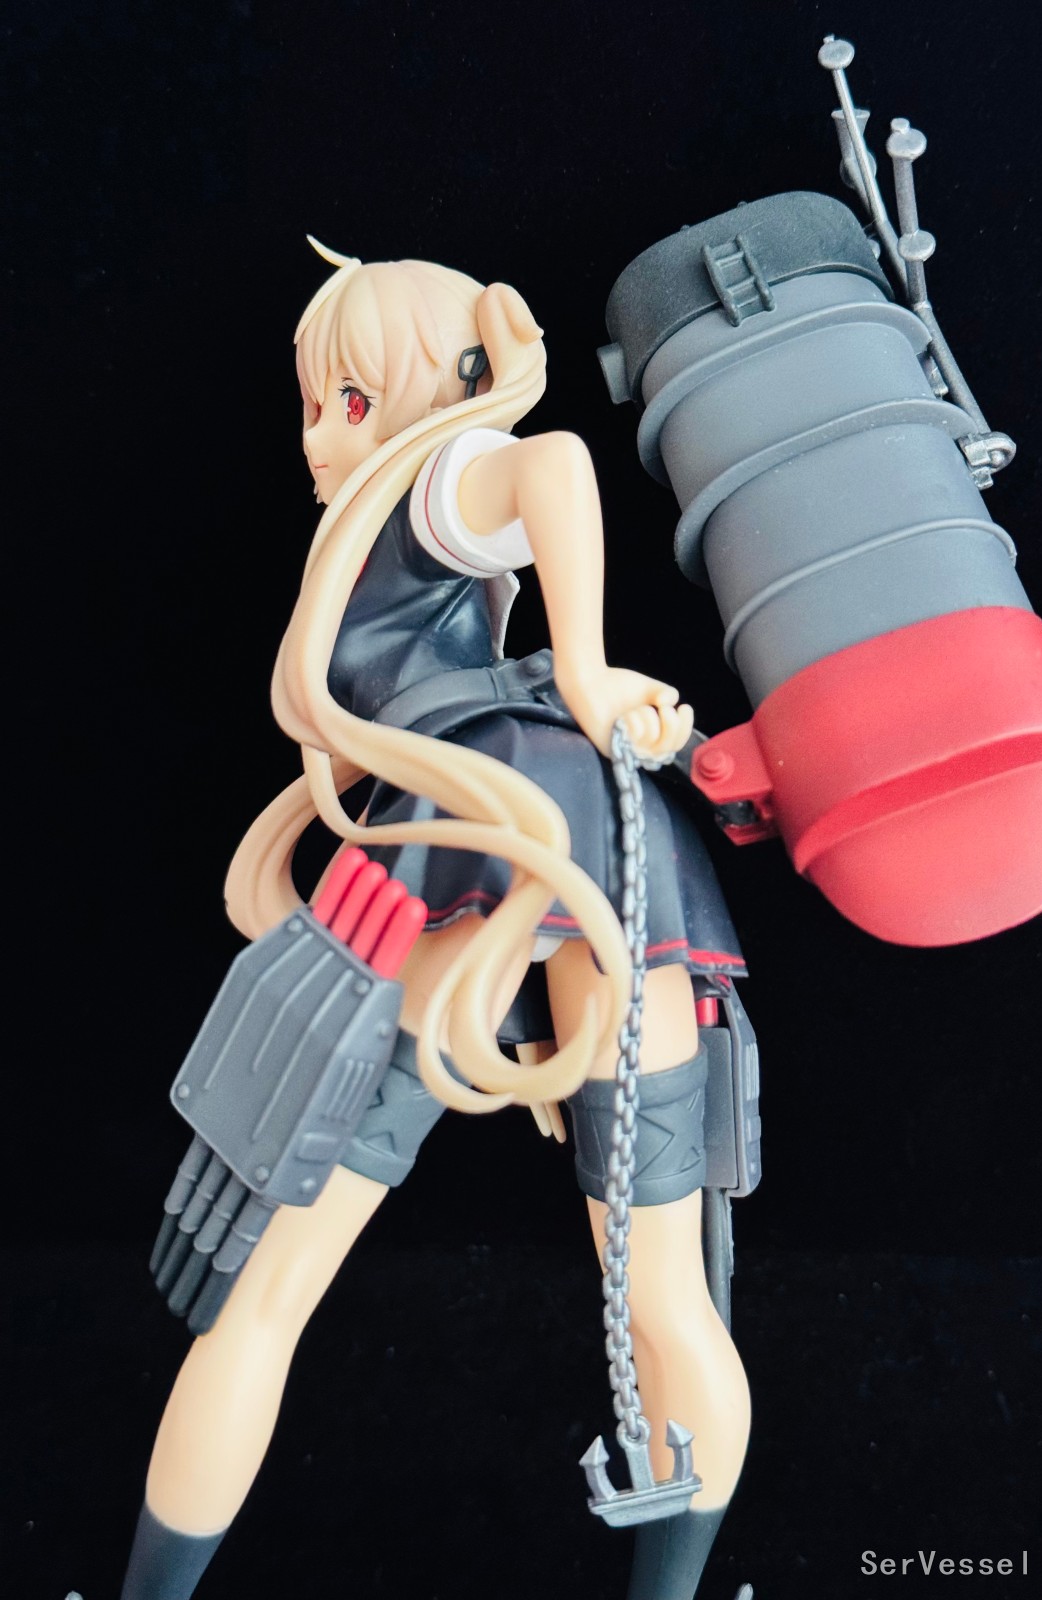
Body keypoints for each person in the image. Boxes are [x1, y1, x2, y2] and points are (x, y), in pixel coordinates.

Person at [118, 242, 751, 1600]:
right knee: (655, 1288)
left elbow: (552, 463)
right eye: (314, 403)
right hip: (576, 848)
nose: (319, 435)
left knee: (276, 1285)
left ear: (445, 383)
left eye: (350, 399)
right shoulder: (370, 530)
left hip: (483, 843)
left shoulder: (437, 479)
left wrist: (583, 668)